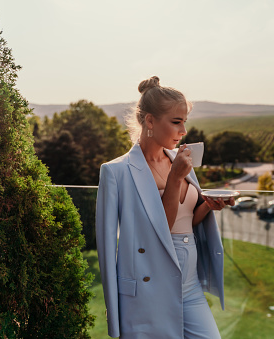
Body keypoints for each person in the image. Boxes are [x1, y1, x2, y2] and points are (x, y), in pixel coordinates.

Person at [96, 76, 234, 338]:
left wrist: (208, 206)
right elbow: (150, 233)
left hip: (189, 284)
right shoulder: (116, 172)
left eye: (185, 122)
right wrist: (175, 179)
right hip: (150, 288)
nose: (183, 131)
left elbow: (186, 220)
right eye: (176, 122)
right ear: (149, 121)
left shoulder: (178, 160)